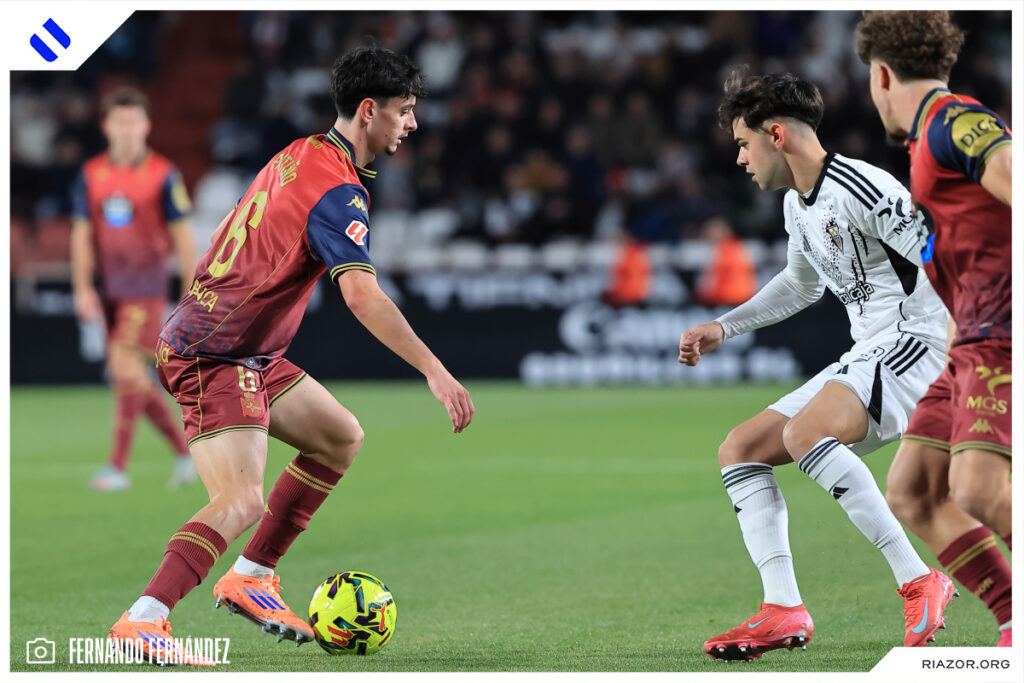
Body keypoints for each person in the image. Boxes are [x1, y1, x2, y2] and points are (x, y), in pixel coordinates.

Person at [107, 46, 475, 666]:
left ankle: (251, 576)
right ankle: (144, 618)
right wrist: (435, 371)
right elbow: (361, 295)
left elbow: (229, 234)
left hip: (241, 347)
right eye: (405, 110)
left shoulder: (299, 153)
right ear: (369, 110)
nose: (412, 123)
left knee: (338, 437)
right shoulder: (338, 190)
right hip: (214, 353)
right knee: (240, 501)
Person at [679, 70, 956, 662]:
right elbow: (801, 285)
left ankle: (918, 579)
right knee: (741, 449)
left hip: (921, 341)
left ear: (776, 135)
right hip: (871, 350)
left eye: (743, 143)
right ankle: (783, 607)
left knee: (805, 433)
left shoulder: (863, 187)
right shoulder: (797, 205)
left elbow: (943, 253)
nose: (739, 158)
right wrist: (723, 326)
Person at [856, 10, 1013, 647]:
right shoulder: (927, 140)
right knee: (914, 491)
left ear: (882, 75)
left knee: (977, 488)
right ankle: (1014, 621)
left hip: (1002, 329)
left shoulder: (955, 121)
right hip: (967, 339)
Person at [71, 87, 198, 492]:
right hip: (110, 286)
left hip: (146, 285)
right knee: (128, 377)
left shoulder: (163, 174)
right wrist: (82, 288)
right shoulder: (92, 174)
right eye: (119, 122)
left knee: (124, 366)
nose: (127, 129)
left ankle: (117, 467)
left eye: (133, 121)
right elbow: (81, 234)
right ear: (106, 126)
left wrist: (190, 291)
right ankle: (186, 453)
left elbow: (183, 237)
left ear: (146, 125)